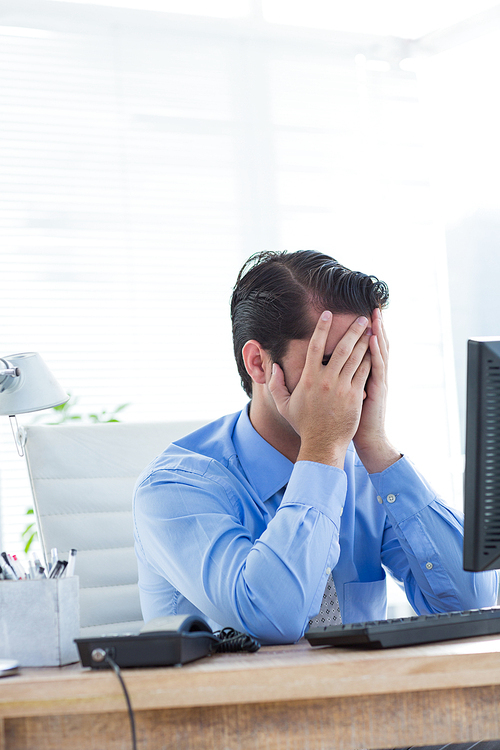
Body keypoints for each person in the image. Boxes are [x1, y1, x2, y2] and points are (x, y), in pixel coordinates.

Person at [133, 250, 498, 646]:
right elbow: (275, 621)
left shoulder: (364, 470)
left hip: (363, 702)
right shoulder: (173, 488)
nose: (350, 384)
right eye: (331, 362)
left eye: (363, 360)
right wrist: (322, 448)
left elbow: (473, 603)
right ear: (259, 364)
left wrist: (374, 444)